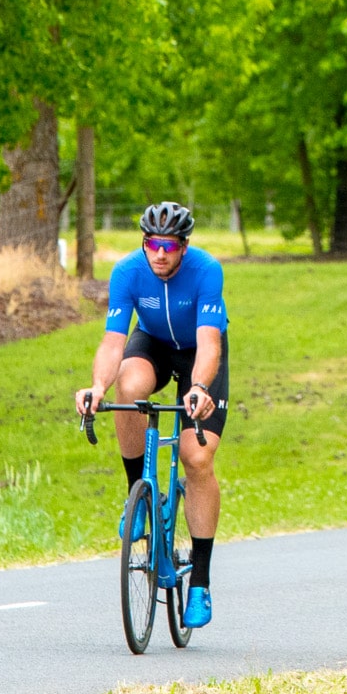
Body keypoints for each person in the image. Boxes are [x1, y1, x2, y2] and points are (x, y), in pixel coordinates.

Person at [75, 201, 227, 628]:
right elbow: (112, 342)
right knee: (128, 385)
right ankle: (137, 496)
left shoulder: (206, 270)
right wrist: (96, 388)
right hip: (155, 344)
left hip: (199, 352)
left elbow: (210, 344)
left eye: (169, 245)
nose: (160, 253)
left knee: (197, 459)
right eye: (152, 244)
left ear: (184, 246)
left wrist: (198, 389)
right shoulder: (127, 272)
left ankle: (199, 581)